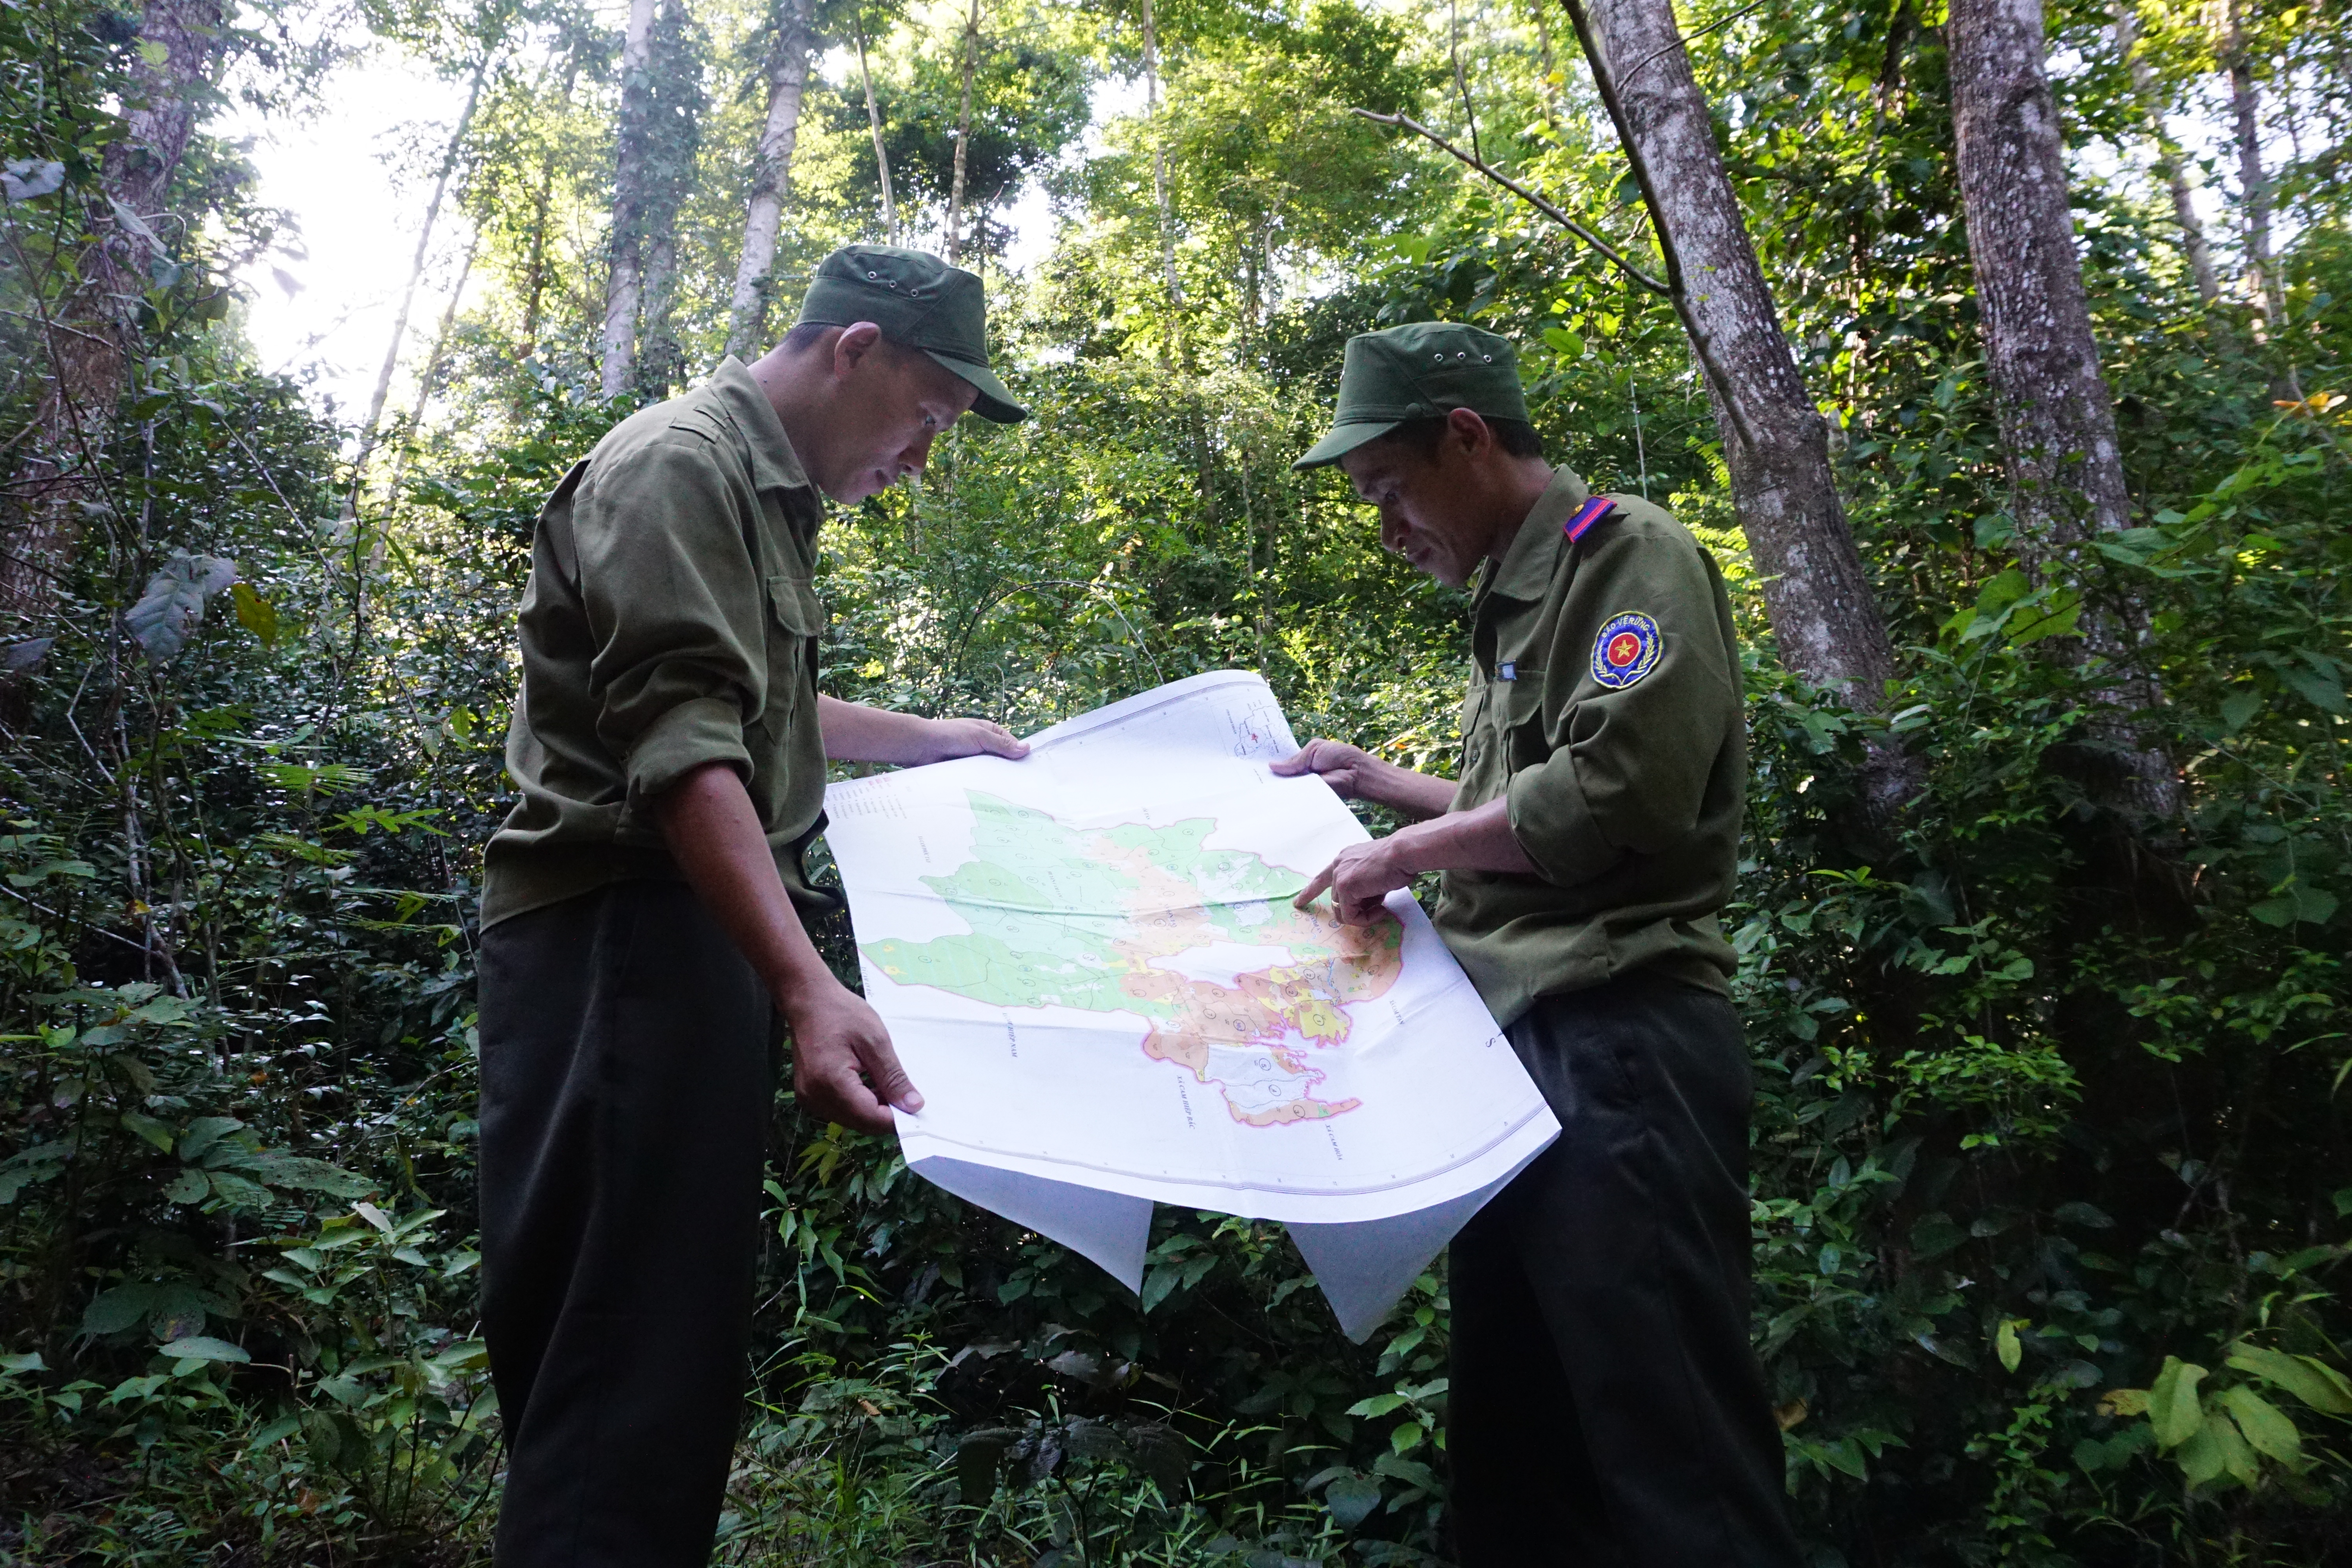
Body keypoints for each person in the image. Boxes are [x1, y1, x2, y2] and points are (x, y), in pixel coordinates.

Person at [474, 245, 1029, 1566]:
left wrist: (932, 737)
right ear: (854, 353)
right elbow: (684, 746)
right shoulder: (683, 464)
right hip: (630, 936)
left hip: (673, 941)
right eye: (929, 415)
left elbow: (749, 706)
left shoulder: (755, 491)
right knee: (623, 1378)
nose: (922, 454)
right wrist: (806, 985)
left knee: (644, 1359)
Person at [1277, 321, 1800, 1567]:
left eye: (1392, 490)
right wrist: (1383, 786)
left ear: (1466, 438)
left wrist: (1402, 857)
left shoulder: (1627, 557)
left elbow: (1623, 794)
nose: (1389, 527)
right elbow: (1524, 805)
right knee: (1523, 1457)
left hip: (1617, 1049)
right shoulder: (1520, 594)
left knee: (1674, 1454)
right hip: (1515, 1058)